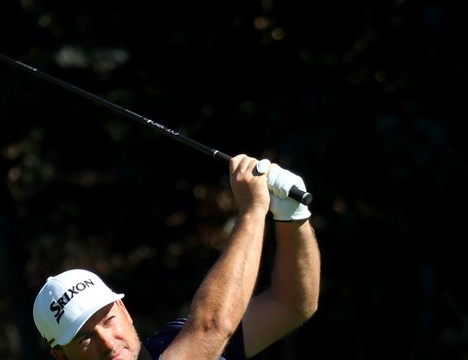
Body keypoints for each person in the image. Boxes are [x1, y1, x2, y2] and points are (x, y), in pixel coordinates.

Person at [32, 154, 321, 360]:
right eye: (84, 338)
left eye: (107, 320)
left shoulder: (172, 340)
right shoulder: (191, 342)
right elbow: (212, 327)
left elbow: (290, 304)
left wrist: (291, 218)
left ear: (124, 310)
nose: (107, 343)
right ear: (61, 357)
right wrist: (252, 211)